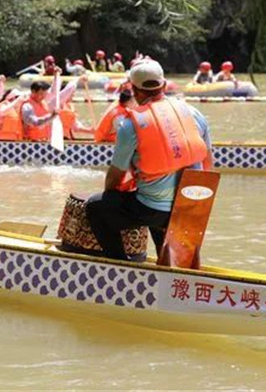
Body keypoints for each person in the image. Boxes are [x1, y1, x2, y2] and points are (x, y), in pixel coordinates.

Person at [85, 60, 212, 261]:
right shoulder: (195, 114)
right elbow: (207, 164)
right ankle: (171, 262)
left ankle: (120, 265)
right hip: (190, 206)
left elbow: (114, 178)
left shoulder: (130, 125)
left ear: (134, 90)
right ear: (163, 85)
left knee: (95, 206)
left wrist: (111, 196)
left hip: (152, 210)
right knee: (156, 209)